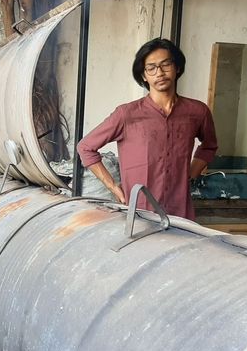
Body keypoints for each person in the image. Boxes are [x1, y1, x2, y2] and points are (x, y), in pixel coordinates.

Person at [76, 38, 218, 220]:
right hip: (139, 212)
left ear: (178, 68)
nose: (159, 73)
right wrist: (113, 187)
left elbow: (209, 145)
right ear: (144, 75)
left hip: (180, 212)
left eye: (165, 65)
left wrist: (191, 173)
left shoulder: (197, 111)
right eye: (151, 68)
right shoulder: (126, 114)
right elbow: (86, 147)